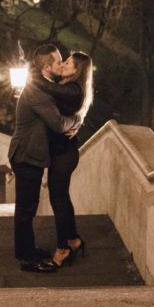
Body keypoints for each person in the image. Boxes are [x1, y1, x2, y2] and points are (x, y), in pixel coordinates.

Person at [8, 44, 82, 270]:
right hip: (26, 155)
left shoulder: (47, 86)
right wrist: (77, 121)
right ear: (47, 67)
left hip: (32, 154)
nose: (62, 64)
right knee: (26, 208)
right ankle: (24, 253)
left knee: (29, 206)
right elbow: (59, 124)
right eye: (59, 61)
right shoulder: (36, 91)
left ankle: (28, 248)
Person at [39, 51, 93, 269]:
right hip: (63, 152)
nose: (64, 64)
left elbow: (49, 88)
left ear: (76, 69)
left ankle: (63, 249)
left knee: (58, 200)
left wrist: (35, 73)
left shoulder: (72, 89)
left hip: (64, 154)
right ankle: (73, 240)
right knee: (61, 198)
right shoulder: (70, 88)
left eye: (68, 63)